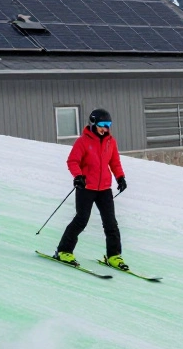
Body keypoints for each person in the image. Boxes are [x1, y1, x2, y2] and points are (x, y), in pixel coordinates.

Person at [55, 109, 128, 270]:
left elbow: (114, 162)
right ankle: (63, 251)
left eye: (108, 125)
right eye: (102, 125)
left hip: (104, 189)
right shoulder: (83, 141)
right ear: (93, 124)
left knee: (111, 223)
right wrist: (78, 176)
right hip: (86, 187)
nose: (105, 128)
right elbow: (72, 161)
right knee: (81, 220)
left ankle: (114, 256)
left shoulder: (111, 142)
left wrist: (120, 177)